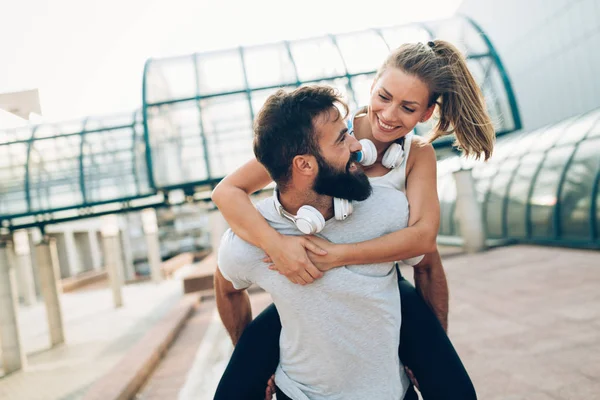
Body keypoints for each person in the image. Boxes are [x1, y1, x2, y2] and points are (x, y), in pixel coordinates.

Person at [213, 40, 493, 399]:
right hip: (308, 290)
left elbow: (424, 241)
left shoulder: (418, 155)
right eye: (384, 96)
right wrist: (277, 246)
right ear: (372, 85)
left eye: (408, 108)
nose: (390, 115)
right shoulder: (324, 134)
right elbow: (227, 191)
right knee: (237, 385)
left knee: (451, 385)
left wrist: (341, 256)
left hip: (378, 278)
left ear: (425, 115)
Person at [215, 85, 416, 399]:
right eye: (340, 138)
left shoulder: (388, 209)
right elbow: (225, 286)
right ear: (304, 165)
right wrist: (253, 360)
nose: (356, 144)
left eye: (348, 131)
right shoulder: (251, 240)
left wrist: (426, 353)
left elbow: (427, 261)